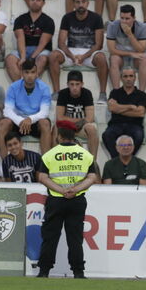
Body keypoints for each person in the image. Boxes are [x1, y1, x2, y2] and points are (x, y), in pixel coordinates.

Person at [37, 118, 99, 278]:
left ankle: (44, 271)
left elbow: (42, 177)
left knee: (50, 237)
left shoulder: (49, 155)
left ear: (59, 136)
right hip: (77, 199)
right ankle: (78, 272)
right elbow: (92, 177)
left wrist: (61, 190)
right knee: (75, 238)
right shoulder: (86, 155)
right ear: (74, 135)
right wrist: (75, 189)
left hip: (56, 199)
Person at [52, 0, 108, 100]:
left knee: (101, 57)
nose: (80, 5)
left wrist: (83, 57)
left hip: (89, 52)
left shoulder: (96, 18)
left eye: (83, 2)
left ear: (88, 3)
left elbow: (99, 44)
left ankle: (102, 94)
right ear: (73, 4)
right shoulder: (67, 17)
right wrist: (72, 57)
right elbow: (61, 43)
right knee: (53, 55)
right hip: (71, 52)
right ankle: (57, 92)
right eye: (77, 2)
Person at [0, 58, 53, 153]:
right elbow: (7, 111)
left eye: (32, 72)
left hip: (35, 121)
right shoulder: (13, 87)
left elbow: (44, 112)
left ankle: (45, 160)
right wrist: (20, 121)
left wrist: (30, 119)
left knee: (45, 123)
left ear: (37, 73)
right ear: (22, 73)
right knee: (4, 123)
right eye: (27, 72)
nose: (30, 76)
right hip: (18, 122)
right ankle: (5, 160)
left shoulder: (44, 88)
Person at [7, 0, 56, 90]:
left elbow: (43, 43)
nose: (35, 2)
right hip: (24, 49)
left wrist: (32, 58)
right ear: (28, 1)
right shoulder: (20, 19)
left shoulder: (48, 21)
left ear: (43, 3)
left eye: (38, 0)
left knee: (42, 59)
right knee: (9, 59)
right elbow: (20, 38)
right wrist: (23, 57)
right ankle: (21, 88)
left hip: (41, 50)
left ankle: (28, 86)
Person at [103, 66, 146, 157]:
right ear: (121, 78)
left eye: (131, 76)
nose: (128, 79)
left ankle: (128, 158)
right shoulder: (115, 93)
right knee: (107, 135)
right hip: (116, 124)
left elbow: (141, 113)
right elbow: (111, 108)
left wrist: (118, 109)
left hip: (135, 125)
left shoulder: (142, 95)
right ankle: (116, 159)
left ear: (135, 78)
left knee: (139, 136)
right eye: (125, 76)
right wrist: (130, 107)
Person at [107, 3, 146, 91]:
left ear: (134, 18)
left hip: (137, 55)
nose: (124, 21)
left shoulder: (142, 27)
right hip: (121, 55)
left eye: (127, 18)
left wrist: (130, 34)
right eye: (122, 18)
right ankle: (116, 92)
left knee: (144, 59)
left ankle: (142, 93)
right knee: (114, 59)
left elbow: (142, 49)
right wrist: (130, 53)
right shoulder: (112, 26)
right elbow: (111, 50)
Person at [55, 70, 99, 158]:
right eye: (72, 84)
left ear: (82, 84)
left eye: (77, 84)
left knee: (92, 128)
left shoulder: (87, 93)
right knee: (55, 128)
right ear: (67, 84)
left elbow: (90, 118)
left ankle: (93, 161)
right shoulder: (63, 93)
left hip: (81, 127)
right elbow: (59, 118)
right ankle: (55, 158)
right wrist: (80, 121)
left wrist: (74, 122)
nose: (74, 87)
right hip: (67, 126)